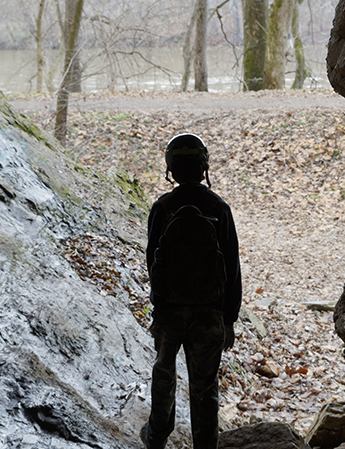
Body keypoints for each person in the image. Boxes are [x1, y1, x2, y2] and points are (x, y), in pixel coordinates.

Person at [141, 133, 242, 449]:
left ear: (171, 168)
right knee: (204, 387)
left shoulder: (163, 207)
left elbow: (152, 262)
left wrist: (159, 306)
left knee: (163, 377)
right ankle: (205, 445)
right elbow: (233, 268)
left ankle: (156, 437)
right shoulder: (218, 208)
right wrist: (229, 319)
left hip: (169, 311)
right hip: (209, 313)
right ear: (204, 167)